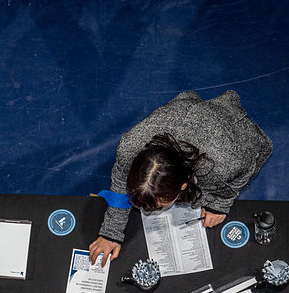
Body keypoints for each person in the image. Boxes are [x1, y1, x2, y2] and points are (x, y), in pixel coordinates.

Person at [89, 90, 272, 265]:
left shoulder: (224, 165)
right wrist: (111, 233)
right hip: (182, 111)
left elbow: (247, 169)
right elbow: (121, 182)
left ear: (183, 186)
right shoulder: (130, 147)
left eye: (161, 204)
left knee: (235, 169)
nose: (147, 211)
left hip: (229, 128)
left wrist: (219, 205)